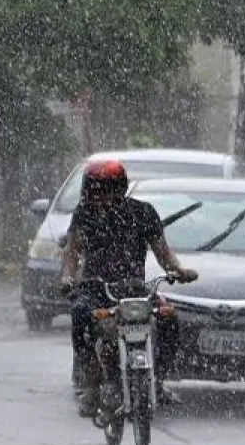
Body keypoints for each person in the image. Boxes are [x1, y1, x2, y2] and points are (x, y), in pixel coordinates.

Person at [59, 159, 198, 417]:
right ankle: (92, 383)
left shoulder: (143, 213)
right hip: (95, 288)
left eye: (104, 192)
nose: (98, 199)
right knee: (80, 314)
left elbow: (163, 253)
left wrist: (178, 271)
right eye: (93, 192)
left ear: (119, 189)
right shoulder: (83, 214)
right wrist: (67, 278)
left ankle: (157, 379)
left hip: (135, 290)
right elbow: (72, 252)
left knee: (168, 318)